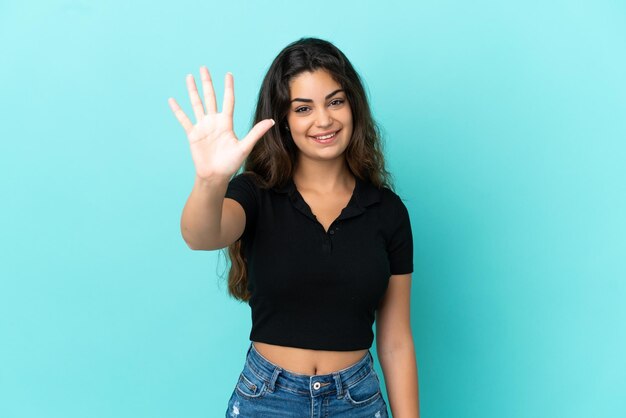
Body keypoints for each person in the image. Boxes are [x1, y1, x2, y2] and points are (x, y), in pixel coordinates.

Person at [168, 38, 419, 417]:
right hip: (267, 398)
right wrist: (211, 180)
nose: (324, 120)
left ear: (353, 105)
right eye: (303, 108)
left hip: (357, 401)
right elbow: (200, 236)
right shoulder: (255, 194)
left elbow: (397, 340)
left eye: (335, 101)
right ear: (284, 120)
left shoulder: (388, 212)